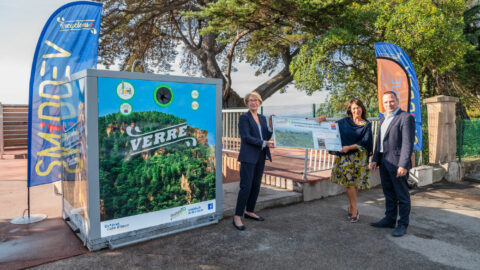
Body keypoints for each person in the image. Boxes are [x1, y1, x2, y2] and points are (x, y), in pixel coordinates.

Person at [317, 98, 373, 223]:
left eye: (358, 107)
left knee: (354, 184)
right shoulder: (344, 122)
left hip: (358, 158)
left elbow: (365, 142)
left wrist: (349, 147)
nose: (356, 110)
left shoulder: (366, 124)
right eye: (354, 108)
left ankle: (351, 206)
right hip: (345, 158)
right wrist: (324, 121)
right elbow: (332, 128)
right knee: (350, 184)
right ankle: (354, 209)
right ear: (350, 110)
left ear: (362, 109)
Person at [369, 91, 415, 237]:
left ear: (397, 101)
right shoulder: (383, 119)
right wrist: (375, 158)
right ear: (382, 104)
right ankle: (389, 219)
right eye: (386, 102)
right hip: (384, 162)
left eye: (391, 101)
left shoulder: (405, 118)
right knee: (388, 194)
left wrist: (403, 164)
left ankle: (402, 225)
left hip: (397, 164)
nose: (389, 104)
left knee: (402, 196)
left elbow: (408, 144)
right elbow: (379, 142)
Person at [233, 91, 274, 231]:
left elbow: (266, 136)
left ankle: (249, 211)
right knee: (246, 186)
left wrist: (271, 126)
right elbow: (246, 137)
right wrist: (264, 143)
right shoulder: (244, 118)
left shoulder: (262, 118)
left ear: (260, 102)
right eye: (250, 100)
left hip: (261, 156)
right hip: (248, 156)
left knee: (256, 186)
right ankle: (237, 216)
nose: (253, 102)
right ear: (247, 103)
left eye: (255, 100)